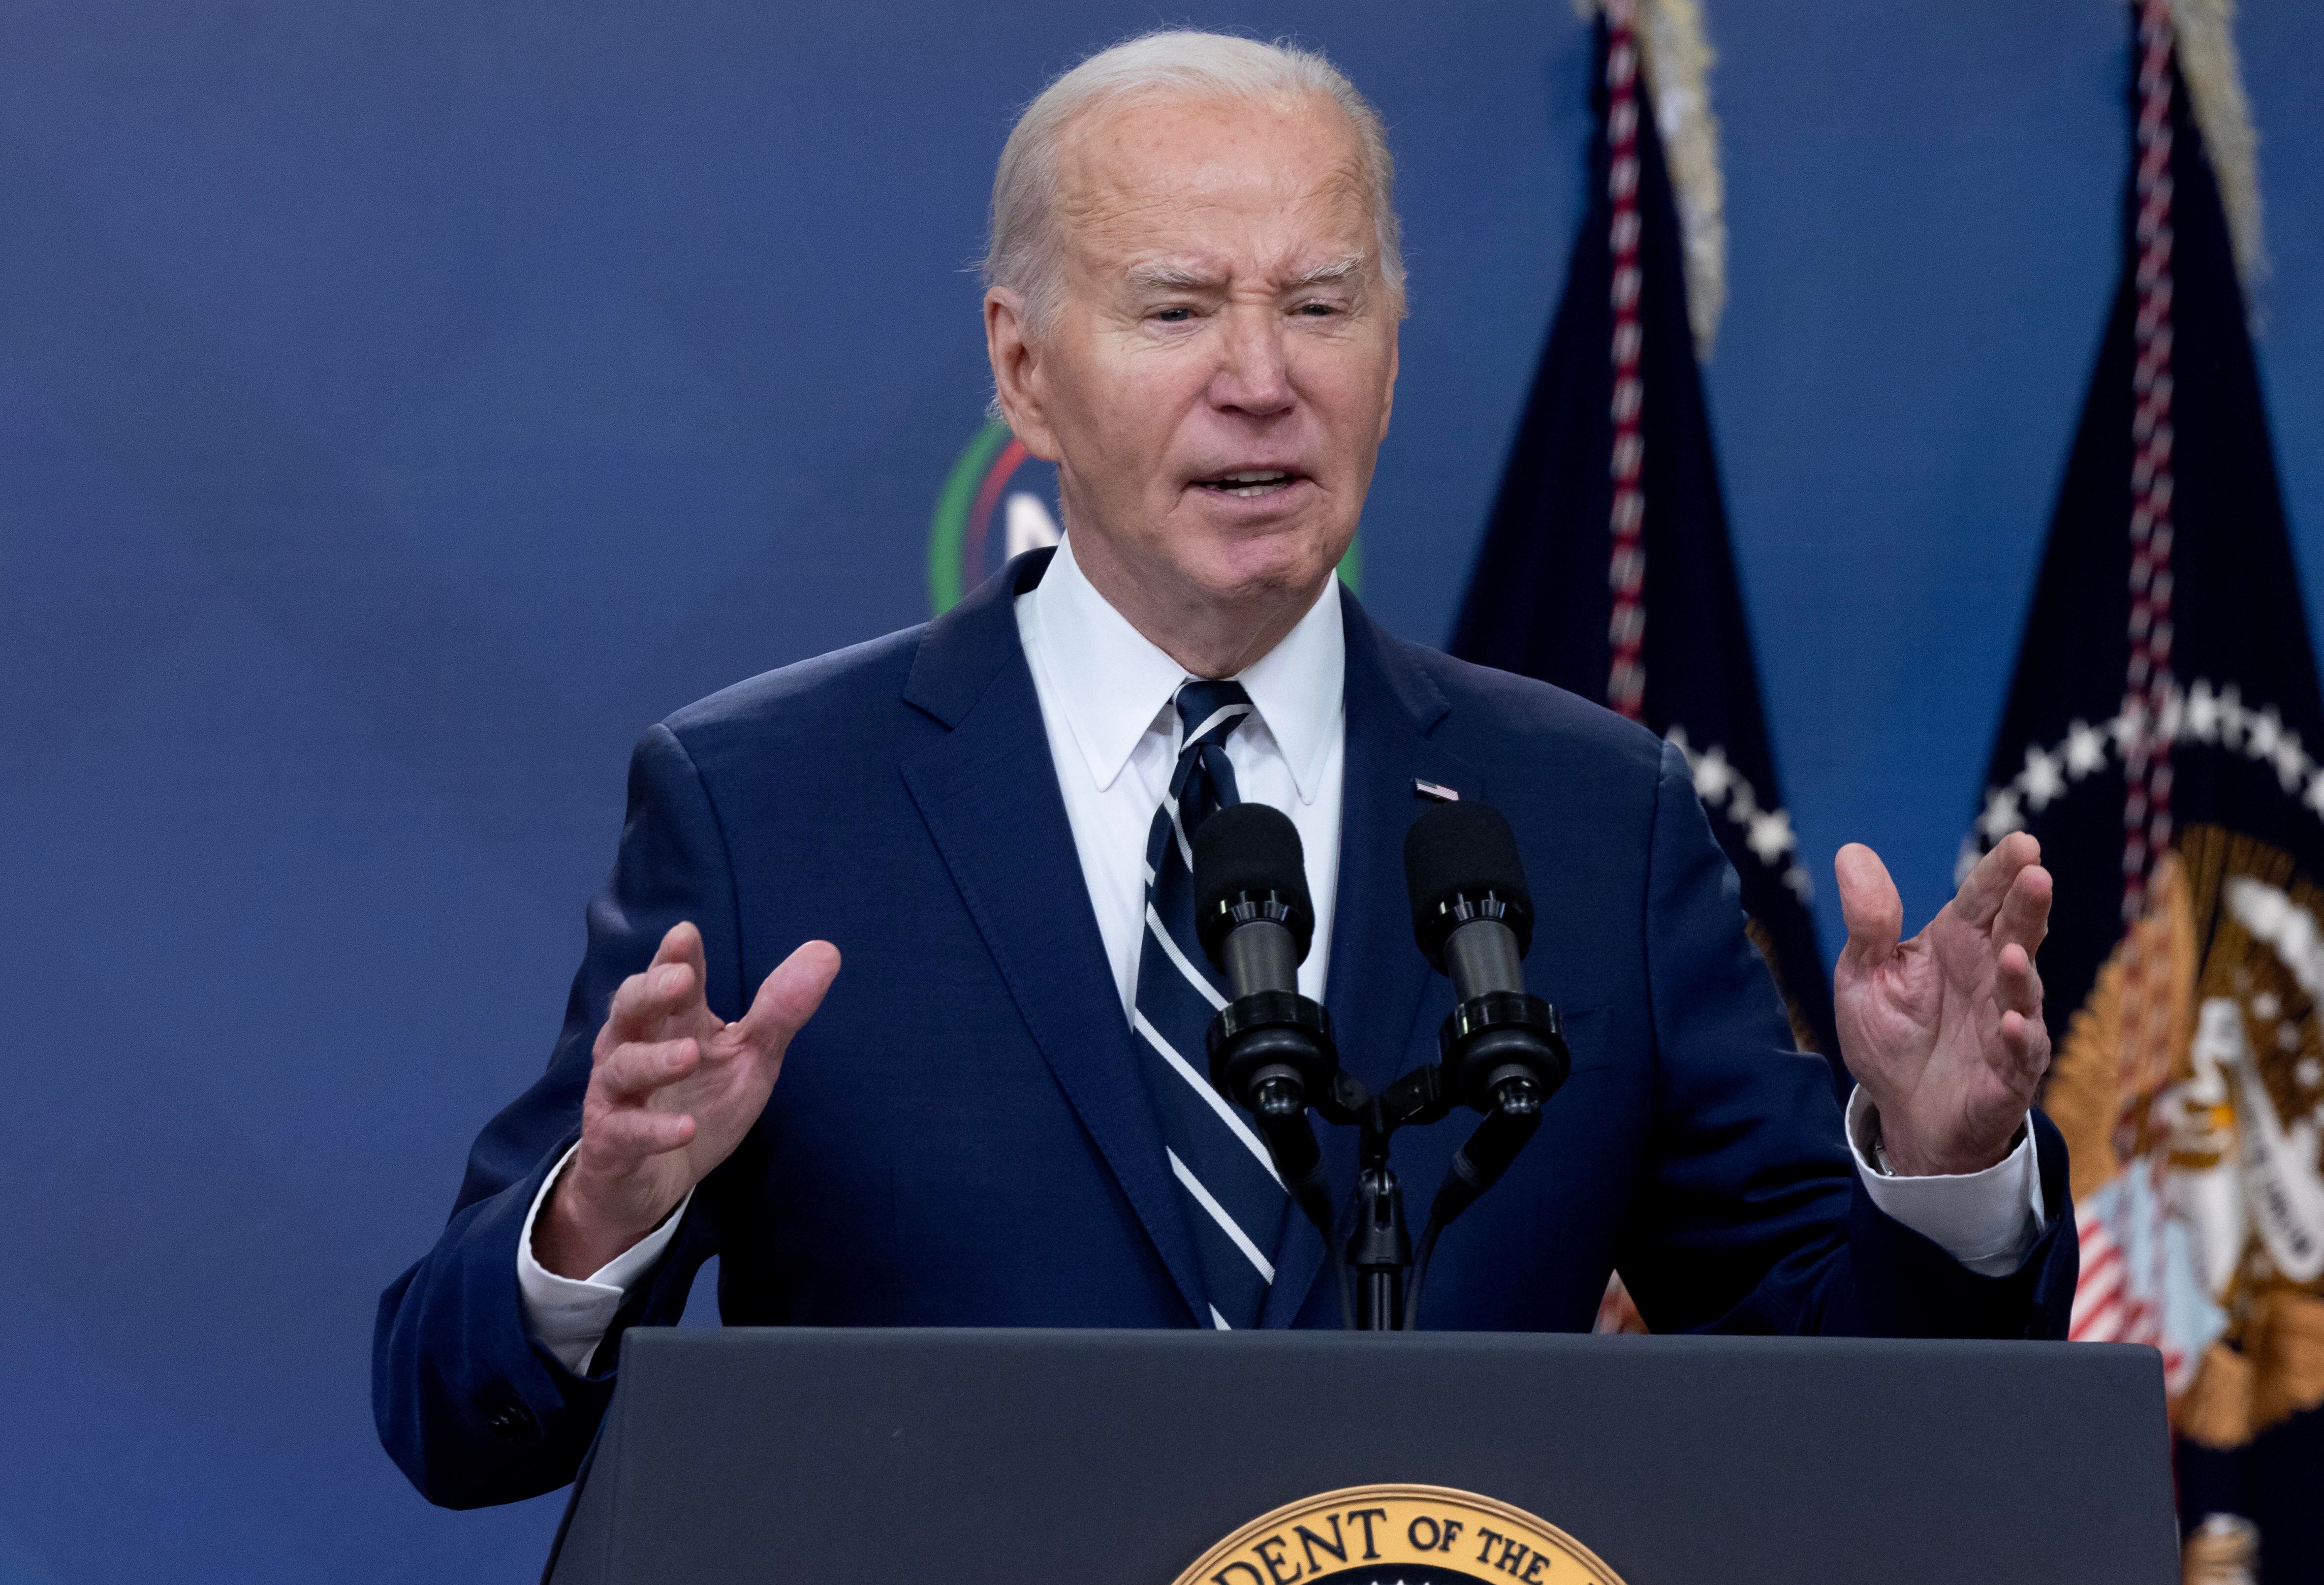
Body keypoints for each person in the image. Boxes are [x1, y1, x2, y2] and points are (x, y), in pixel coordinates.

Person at [375, 30, 2074, 1510]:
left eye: (1318, 307)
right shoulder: (767, 805)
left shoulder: (1586, 815)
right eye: (1177, 308)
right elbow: (457, 1418)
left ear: (1391, 359)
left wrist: (1938, 1168)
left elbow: (1843, 1391)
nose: (1259, 383)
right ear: (1023, 368)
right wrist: (596, 1225)